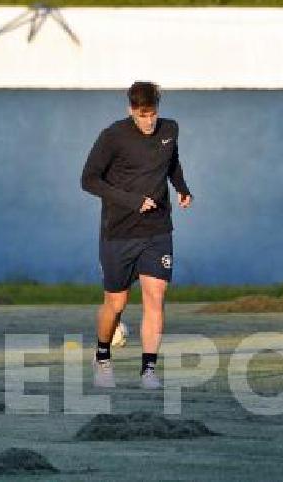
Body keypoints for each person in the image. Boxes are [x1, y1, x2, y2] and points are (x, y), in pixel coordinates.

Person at [81, 81, 192, 389]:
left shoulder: (171, 129)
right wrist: (132, 201)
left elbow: (171, 164)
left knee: (155, 298)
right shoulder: (113, 136)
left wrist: (182, 188)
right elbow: (88, 180)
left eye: (152, 114)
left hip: (157, 230)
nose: (149, 121)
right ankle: (102, 357)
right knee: (116, 305)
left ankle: (148, 372)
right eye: (142, 115)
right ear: (131, 109)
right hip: (119, 231)